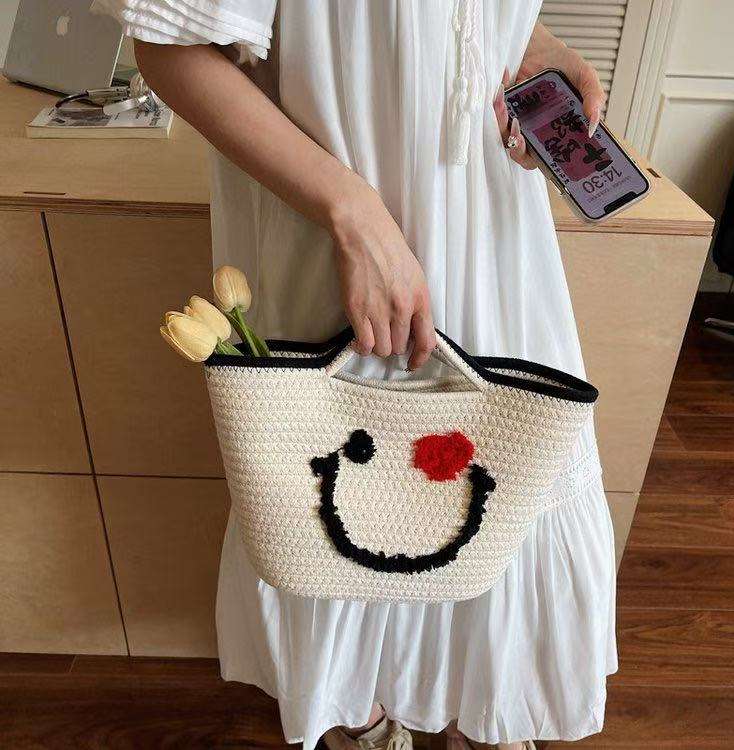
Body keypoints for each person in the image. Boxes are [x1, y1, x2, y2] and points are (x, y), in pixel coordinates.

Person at [93, 2, 617, 749]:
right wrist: (353, 215)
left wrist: (537, 45)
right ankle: (362, 718)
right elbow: (169, 49)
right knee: (345, 501)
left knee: (508, 486)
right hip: (336, 236)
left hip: (496, 237)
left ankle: (483, 706)